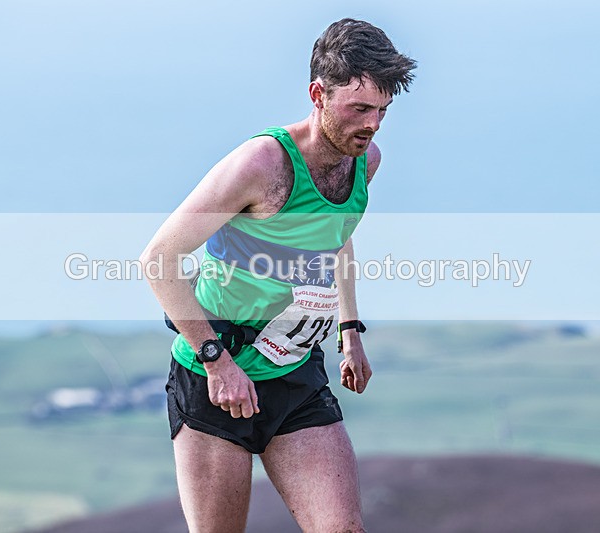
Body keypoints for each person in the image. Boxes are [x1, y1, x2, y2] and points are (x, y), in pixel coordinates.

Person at [141, 18, 416, 533]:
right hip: (214, 377)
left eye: (382, 111)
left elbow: (335, 238)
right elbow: (158, 259)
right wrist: (217, 362)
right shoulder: (262, 164)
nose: (373, 124)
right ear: (318, 94)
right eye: (359, 109)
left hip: (294, 373)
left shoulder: (365, 160)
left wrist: (350, 329)